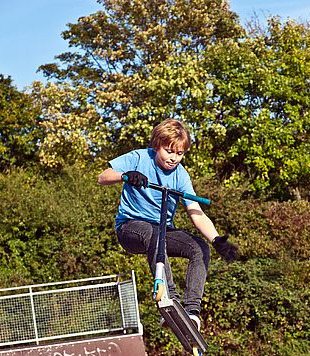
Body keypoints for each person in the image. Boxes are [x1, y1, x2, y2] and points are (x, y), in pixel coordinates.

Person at [97, 118, 238, 331]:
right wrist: (125, 176)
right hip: (130, 228)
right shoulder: (138, 157)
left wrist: (217, 239)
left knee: (199, 247)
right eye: (168, 151)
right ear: (157, 146)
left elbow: (196, 213)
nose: (173, 158)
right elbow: (102, 177)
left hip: (161, 231)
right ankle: (170, 300)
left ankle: (191, 312)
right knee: (152, 233)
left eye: (179, 154)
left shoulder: (181, 176)